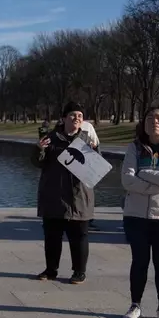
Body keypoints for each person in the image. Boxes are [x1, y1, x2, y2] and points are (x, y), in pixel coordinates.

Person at [121, 105, 159, 318]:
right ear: (143, 123)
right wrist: (158, 183)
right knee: (139, 261)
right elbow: (127, 180)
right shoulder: (134, 148)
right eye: (149, 118)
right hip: (136, 214)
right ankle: (135, 305)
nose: (154, 121)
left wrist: (144, 174)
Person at [32, 101, 97, 285]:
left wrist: (94, 154)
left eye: (80, 116)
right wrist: (39, 149)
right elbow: (37, 163)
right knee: (52, 236)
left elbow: (96, 169)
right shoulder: (50, 138)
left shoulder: (87, 139)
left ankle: (79, 271)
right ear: (63, 118)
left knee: (79, 236)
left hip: (79, 196)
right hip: (54, 195)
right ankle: (51, 269)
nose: (76, 119)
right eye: (72, 115)